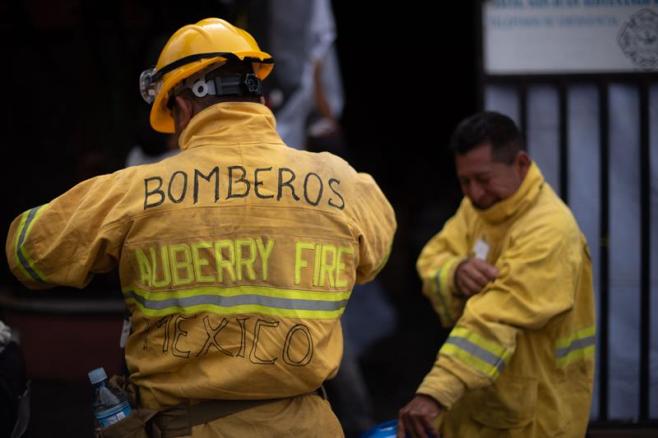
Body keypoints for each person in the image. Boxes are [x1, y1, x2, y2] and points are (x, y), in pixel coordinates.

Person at [5, 18, 396, 437]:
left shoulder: (136, 190)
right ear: (261, 100)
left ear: (184, 107)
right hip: (307, 426)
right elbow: (373, 260)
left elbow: (28, 255)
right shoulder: (344, 184)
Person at [398, 111, 595, 438]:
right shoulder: (477, 208)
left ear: (521, 164)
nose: (474, 193)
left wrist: (434, 393)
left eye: (484, 179)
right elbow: (433, 257)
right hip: (480, 406)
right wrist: (456, 271)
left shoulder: (550, 231)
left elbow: (494, 316)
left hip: (536, 417)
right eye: (465, 181)